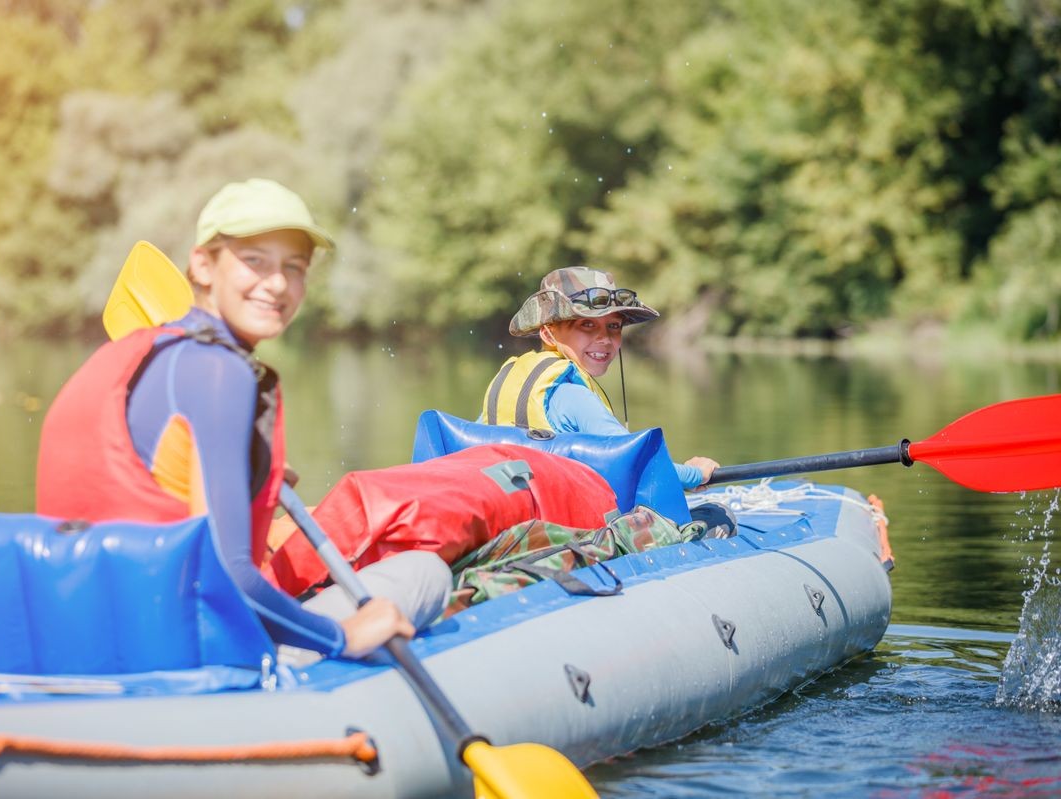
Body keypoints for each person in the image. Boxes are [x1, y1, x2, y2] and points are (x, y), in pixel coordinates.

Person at [37, 178, 450, 664]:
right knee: (426, 572)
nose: (277, 284)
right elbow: (224, 576)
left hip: (82, 639)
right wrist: (344, 635)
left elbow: (156, 501)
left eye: (294, 268)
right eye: (255, 261)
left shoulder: (128, 357)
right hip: (183, 656)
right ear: (202, 265)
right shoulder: (219, 371)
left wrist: (253, 486)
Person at [480, 266, 720, 492]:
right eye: (587, 324)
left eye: (614, 326)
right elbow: (639, 464)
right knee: (716, 516)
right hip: (570, 530)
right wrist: (696, 474)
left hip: (517, 520)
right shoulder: (574, 397)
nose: (605, 338)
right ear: (548, 333)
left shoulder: (506, 385)